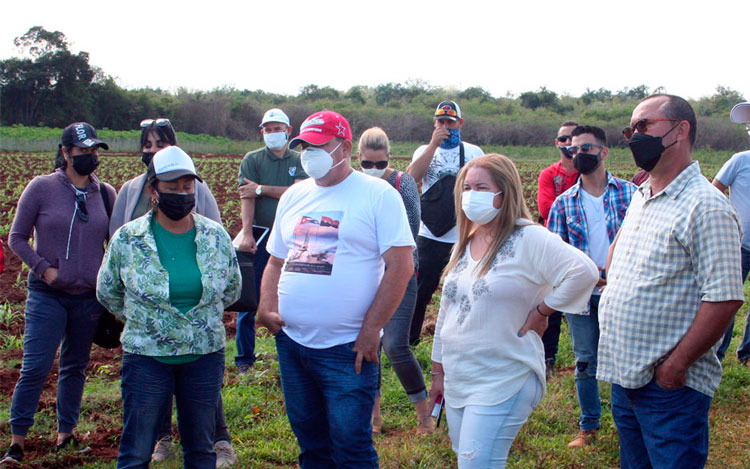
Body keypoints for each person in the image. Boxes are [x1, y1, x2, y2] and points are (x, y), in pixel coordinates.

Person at [257, 110, 415, 468]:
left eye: (319, 146)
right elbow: (275, 262)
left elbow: (401, 268)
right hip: (293, 343)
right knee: (311, 442)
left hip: (347, 348)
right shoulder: (294, 197)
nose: (309, 153)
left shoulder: (377, 196)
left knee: (351, 447)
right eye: (304, 147)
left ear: (344, 148)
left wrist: (371, 330)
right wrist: (267, 308)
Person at [599, 94, 744, 468]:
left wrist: (675, 367)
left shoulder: (706, 206)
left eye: (644, 126)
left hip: (668, 387)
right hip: (626, 373)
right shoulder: (643, 194)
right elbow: (619, 250)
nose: (633, 136)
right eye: (630, 129)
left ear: (680, 130)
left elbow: (724, 299)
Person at [430, 154, 598, 469]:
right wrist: (438, 371)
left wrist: (543, 309)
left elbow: (584, 272)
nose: (470, 194)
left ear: (504, 193)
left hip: (504, 374)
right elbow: (447, 309)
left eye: (480, 187)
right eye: (466, 187)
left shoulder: (529, 237)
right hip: (459, 375)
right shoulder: (468, 239)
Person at [97, 146, 241, 468]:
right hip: (147, 358)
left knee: (201, 449)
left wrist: (194, 319)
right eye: (172, 187)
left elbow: (231, 288)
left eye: (187, 187)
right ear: (153, 189)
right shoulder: (128, 239)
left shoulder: (215, 236)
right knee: (136, 450)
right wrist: (146, 319)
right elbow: (108, 291)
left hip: (203, 356)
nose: (181, 193)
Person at [2, 123, 115, 465]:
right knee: (35, 368)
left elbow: (115, 243)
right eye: (83, 152)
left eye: (94, 151)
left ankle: (66, 434)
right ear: (66, 153)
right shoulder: (41, 188)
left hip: (87, 298)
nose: (90, 157)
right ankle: (17, 441)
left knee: (75, 366)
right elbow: (17, 237)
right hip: (47, 294)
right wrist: (43, 268)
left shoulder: (106, 193)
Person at [547, 125, 636, 448]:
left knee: (626, 360)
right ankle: (589, 426)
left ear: (603, 151)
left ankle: (630, 425)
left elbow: (643, 243)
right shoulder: (563, 204)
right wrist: (588, 274)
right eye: (574, 149)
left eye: (586, 148)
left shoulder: (631, 194)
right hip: (583, 295)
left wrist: (614, 272)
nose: (578, 155)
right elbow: (556, 254)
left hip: (623, 291)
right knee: (585, 361)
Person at [356, 127, 433, 434]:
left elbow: (409, 232)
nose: (373, 170)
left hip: (400, 274)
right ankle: (374, 417)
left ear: (388, 157)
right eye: (367, 164)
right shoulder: (353, 184)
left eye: (379, 164)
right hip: (365, 275)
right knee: (366, 342)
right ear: (358, 158)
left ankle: (424, 416)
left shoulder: (403, 183)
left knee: (395, 344)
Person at [235, 108, 307, 375]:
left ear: (289, 131)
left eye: (278, 128)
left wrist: (263, 188)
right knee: (249, 300)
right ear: (261, 132)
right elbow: (247, 196)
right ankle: (244, 360)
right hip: (261, 233)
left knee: (290, 295)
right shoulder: (252, 159)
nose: (273, 133)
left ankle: (291, 354)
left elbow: (298, 192)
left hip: (293, 235)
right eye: (268, 129)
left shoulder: (301, 159)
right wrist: (246, 232)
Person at [406, 100, 484, 345]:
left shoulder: (474, 152)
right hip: (429, 233)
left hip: (464, 233)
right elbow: (410, 180)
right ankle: (411, 341)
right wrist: (433, 145)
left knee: (467, 288)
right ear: (434, 123)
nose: (445, 126)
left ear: (460, 123)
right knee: (421, 289)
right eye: (440, 121)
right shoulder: (424, 150)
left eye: (450, 121)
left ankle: (462, 338)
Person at [536, 120, 579, 372]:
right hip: (553, 245)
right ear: (557, 143)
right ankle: (547, 359)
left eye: (572, 138)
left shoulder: (587, 173)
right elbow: (546, 209)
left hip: (581, 247)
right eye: (562, 139)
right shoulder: (549, 175)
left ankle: (586, 359)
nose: (567, 143)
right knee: (550, 304)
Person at [713, 101, 750, 365]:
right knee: (727, 300)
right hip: (739, 244)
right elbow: (714, 191)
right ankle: (715, 353)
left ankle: (747, 352)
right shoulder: (740, 160)